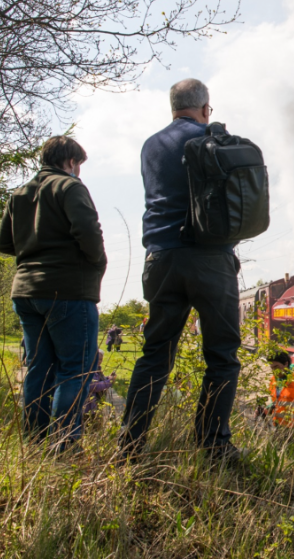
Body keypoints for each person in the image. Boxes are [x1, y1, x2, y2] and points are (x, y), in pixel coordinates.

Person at [120, 78, 243, 461]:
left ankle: (130, 443)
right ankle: (213, 445)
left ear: (172, 108)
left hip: (160, 259)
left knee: (155, 353)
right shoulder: (215, 139)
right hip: (209, 259)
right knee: (221, 356)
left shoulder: (150, 146)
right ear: (206, 108)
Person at [0, 135, 107, 452]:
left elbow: (6, 244)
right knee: (75, 369)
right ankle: (64, 443)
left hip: (26, 292)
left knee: (38, 368)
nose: (79, 172)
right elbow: (88, 230)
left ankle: (34, 440)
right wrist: (97, 262)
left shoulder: (19, 193)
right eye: (79, 166)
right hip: (68, 290)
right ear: (71, 162)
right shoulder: (70, 187)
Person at [84, 350, 117, 415]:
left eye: (101, 359)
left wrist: (108, 378)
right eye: (97, 359)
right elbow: (93, 386)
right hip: (88, 405)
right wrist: (109, 382)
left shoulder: (97, 369)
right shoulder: (89, 370)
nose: (99, 361)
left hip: (94, 404)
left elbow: (99, 380)